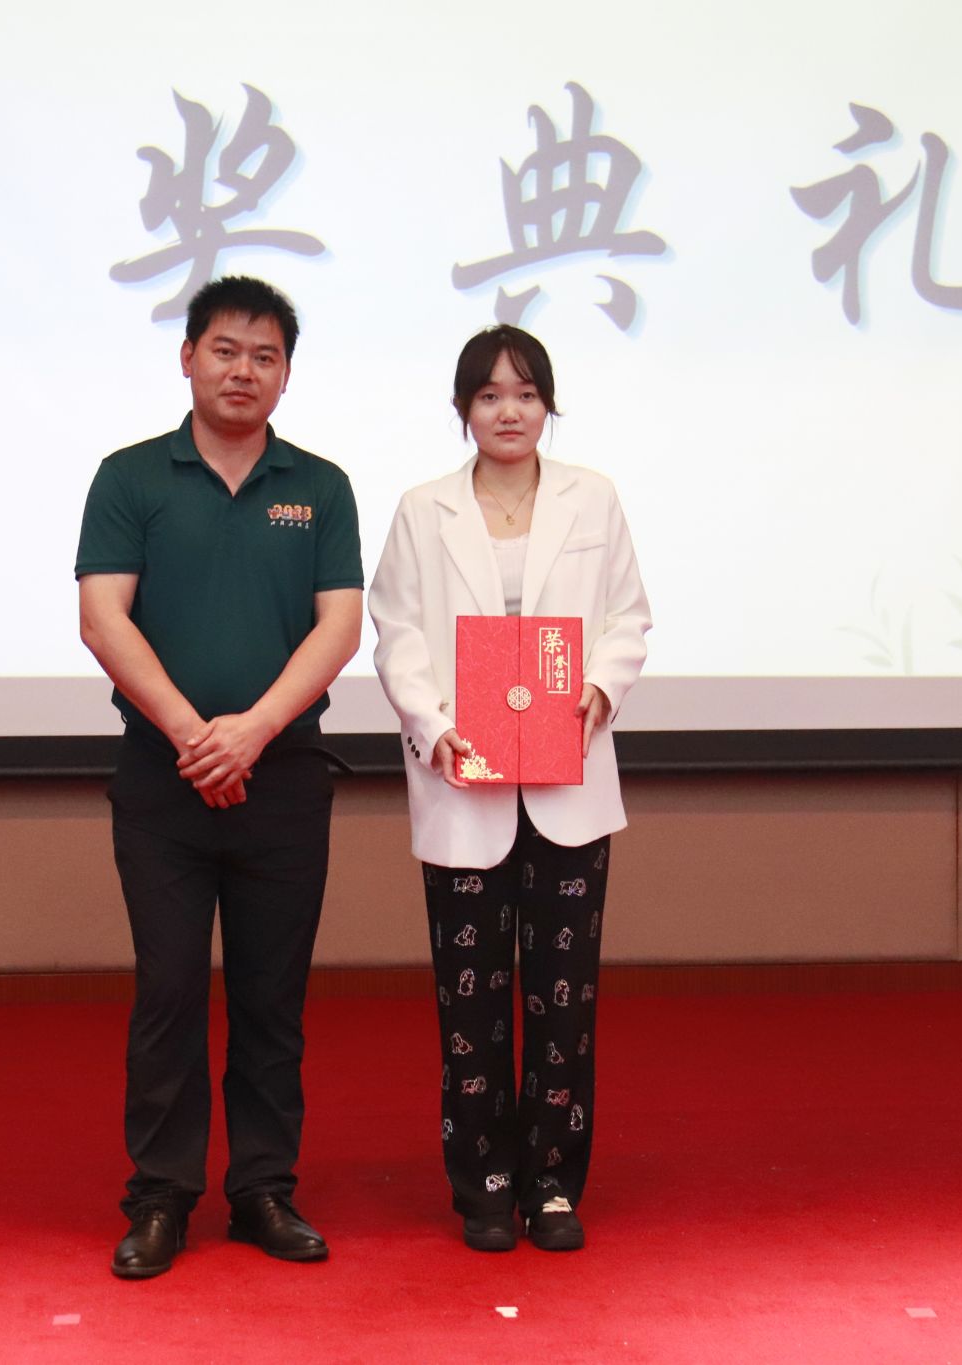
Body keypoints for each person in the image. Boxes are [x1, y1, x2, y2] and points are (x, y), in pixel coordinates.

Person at [75, 277, 363, 1280]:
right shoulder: (129, 477)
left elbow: (339, 626)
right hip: (162, 783)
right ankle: (160, 1195)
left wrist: (253, 732)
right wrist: (196, 736)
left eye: (265, 356)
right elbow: (102, 616)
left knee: (271, 997)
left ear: (286, 374)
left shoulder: (319, 486)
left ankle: (262, 1189)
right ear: (188, 357)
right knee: (166, 992)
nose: (244, 370)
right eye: (225, 350)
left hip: (282, 781)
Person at [366, 325, 651, 1252]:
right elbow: (396, 631)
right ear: (463, 409)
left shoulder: (592, 497)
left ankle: (554, 1184)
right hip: (465, 779)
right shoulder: (424, 510)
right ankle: (484, 1182)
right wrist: (433, 724)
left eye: (526, 394)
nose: (509, 411)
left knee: (565, 1000)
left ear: (547, 405)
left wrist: (599, 688)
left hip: (569, 775)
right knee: (472, 999)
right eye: (489, 395)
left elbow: (627, 617)